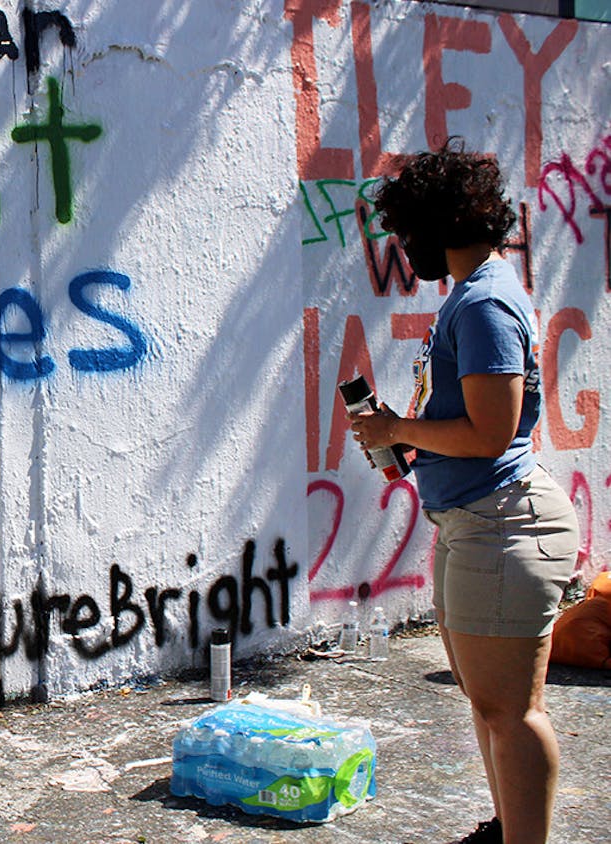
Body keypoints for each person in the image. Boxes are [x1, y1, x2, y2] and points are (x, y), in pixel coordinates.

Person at [350, 139, 580, 844]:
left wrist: (397, 424)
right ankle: (506, 828)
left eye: (407, 231)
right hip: (474, 525)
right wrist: (407, 436)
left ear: (437, 225)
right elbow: (473, 425)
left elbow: (490, 432)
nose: (403, 248)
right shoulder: (478, 293)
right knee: (489, 706)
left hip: (505, 526)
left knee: (513, 712)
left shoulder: (481, 303)